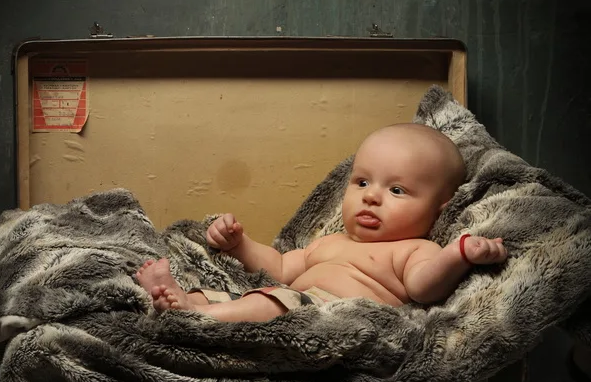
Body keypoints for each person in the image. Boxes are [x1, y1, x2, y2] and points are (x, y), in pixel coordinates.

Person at [135, 123, 507, 321]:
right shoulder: (331, 242)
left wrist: (459, 254)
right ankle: (189, 303)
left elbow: (425, 287)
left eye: (397, 190)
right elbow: (280, 267)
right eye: (361, 182)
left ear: (440, 210)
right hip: (288, 298)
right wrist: (238, 245)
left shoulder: (415, 249)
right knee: (240, 298)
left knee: (270, 305)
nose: (371, 196)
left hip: (328, 314)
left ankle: (195, 318)